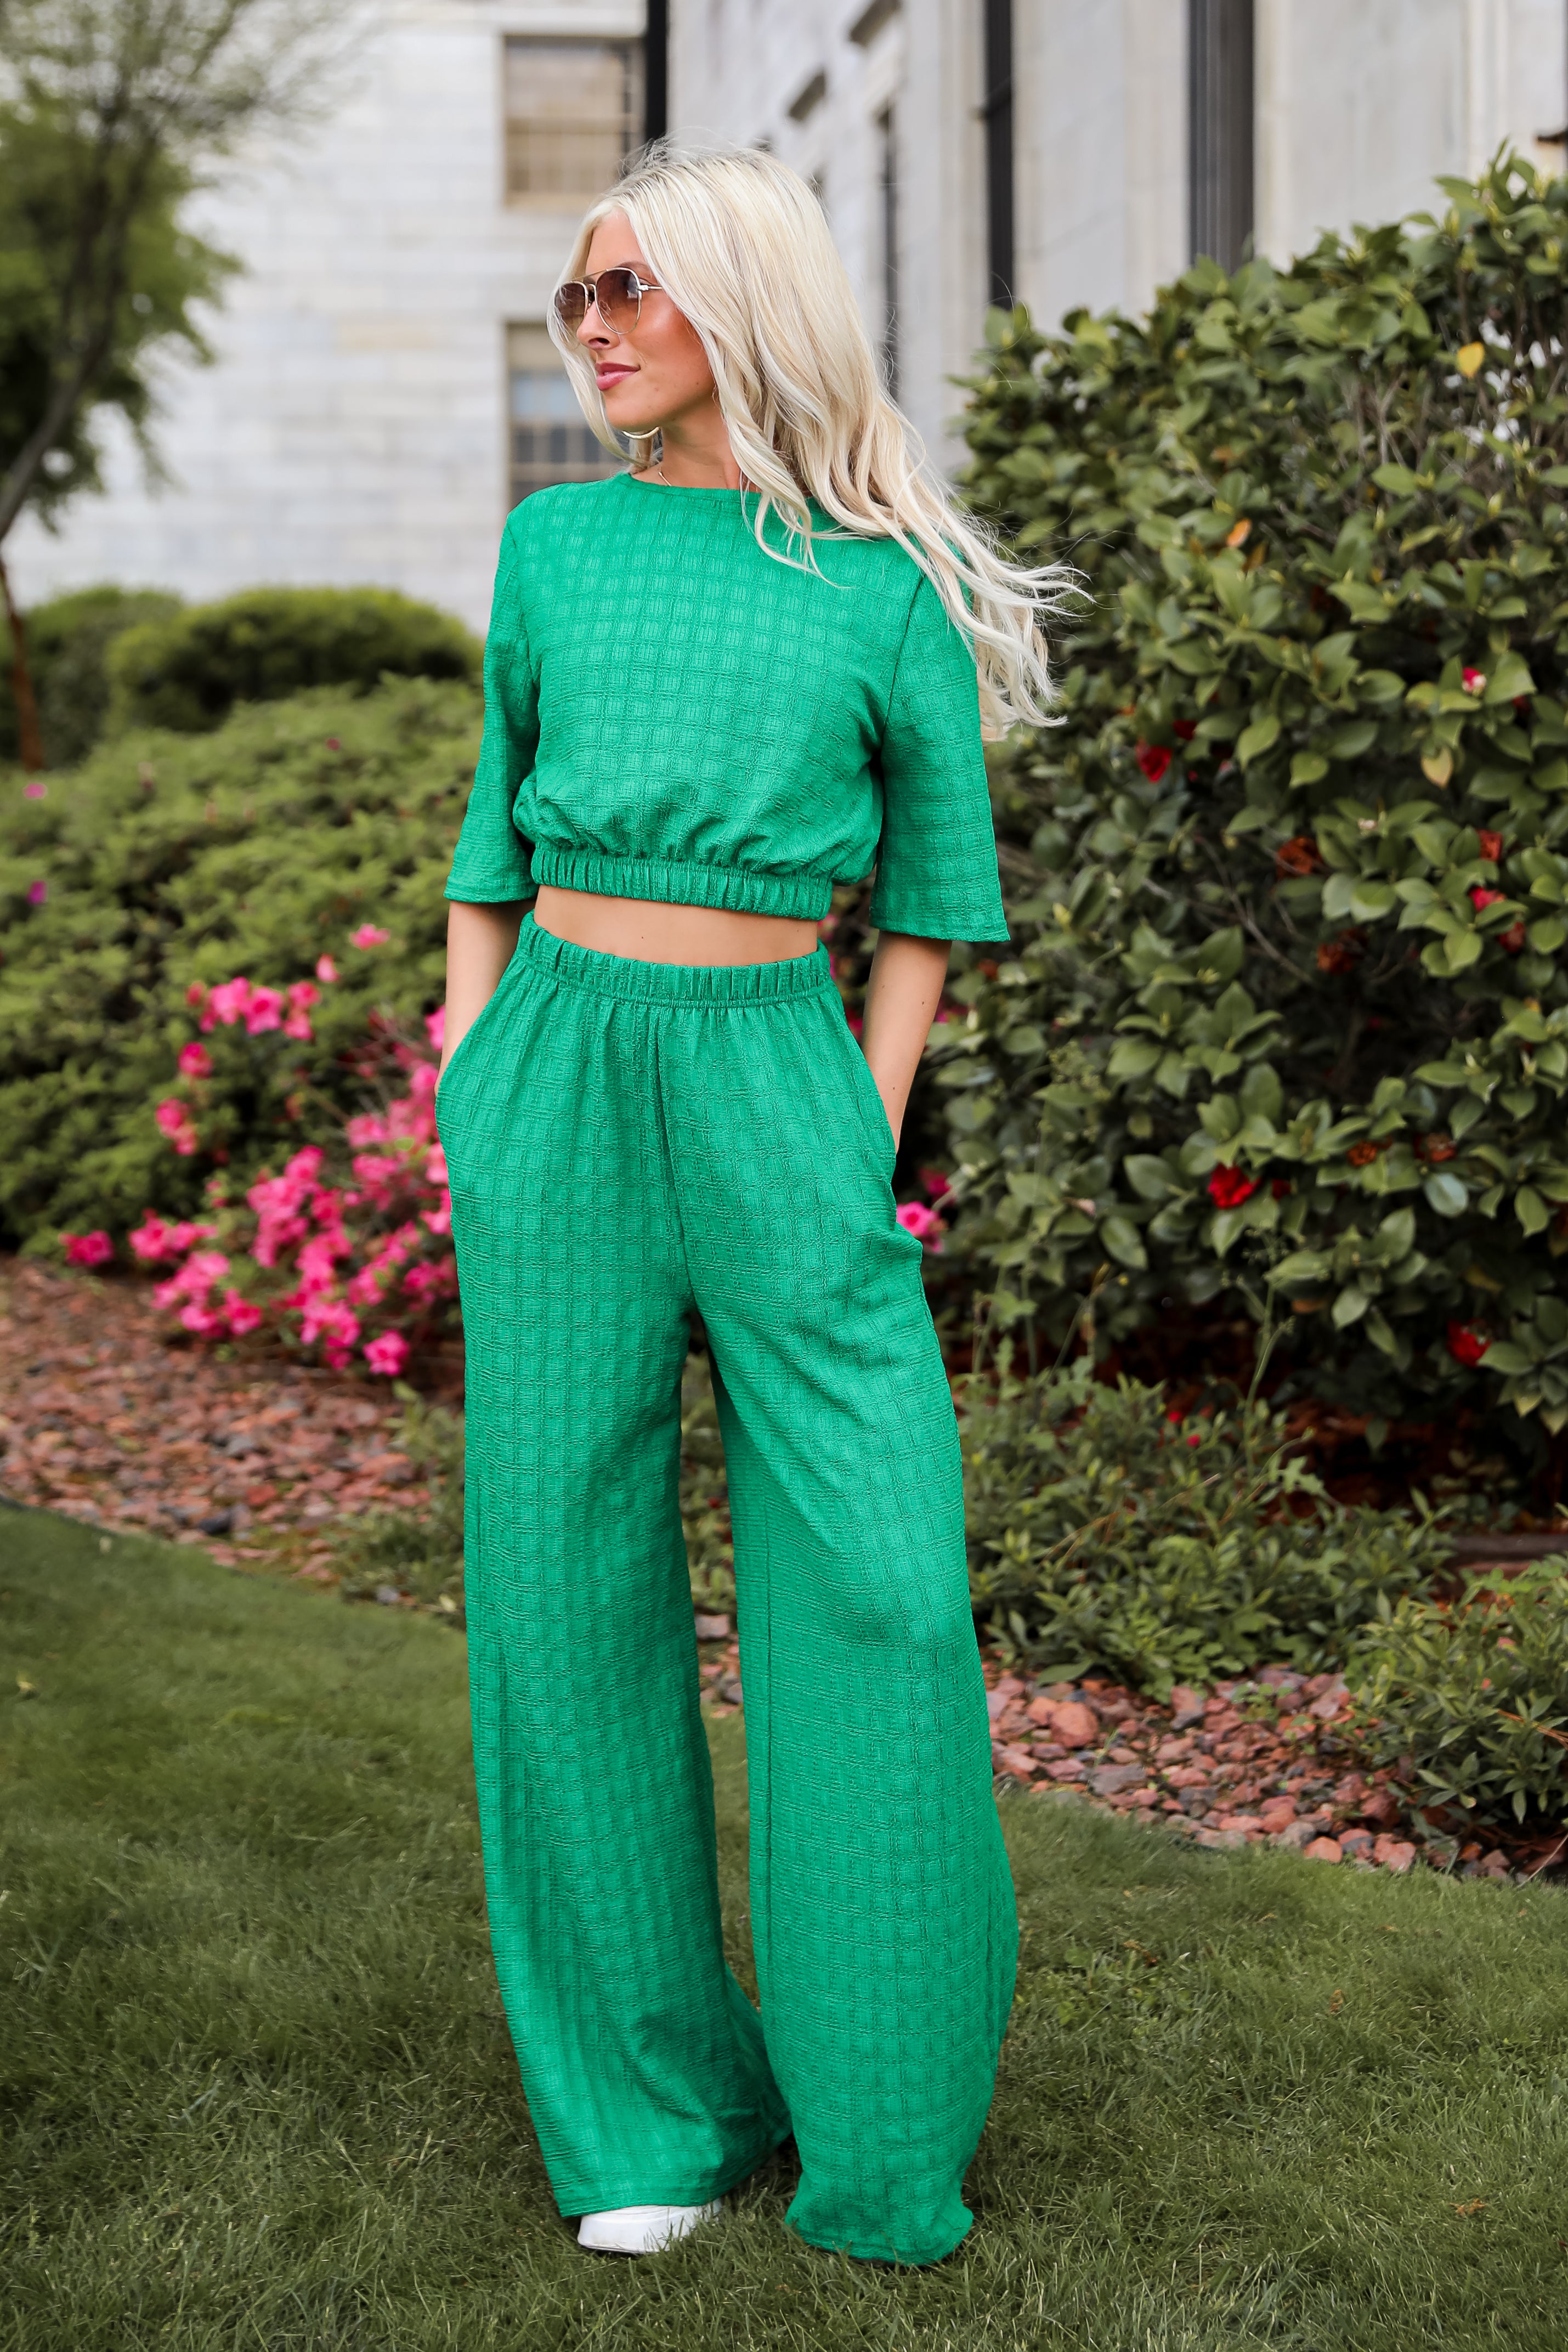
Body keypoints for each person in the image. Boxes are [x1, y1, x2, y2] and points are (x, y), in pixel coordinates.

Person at [435, 140, 1068, 2267]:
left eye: (630, 289)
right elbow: (487, 838)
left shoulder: (878, 587)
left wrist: (859, 1125)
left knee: (876, 1582)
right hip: (560, 1079)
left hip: (780, 1083)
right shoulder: (552, 552)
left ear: (741, 302)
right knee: (559, 1586)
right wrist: (471, 1066)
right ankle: (642, 2113)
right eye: (577, 296)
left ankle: (880, 2126)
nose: (595, 327)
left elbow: (935, 907)